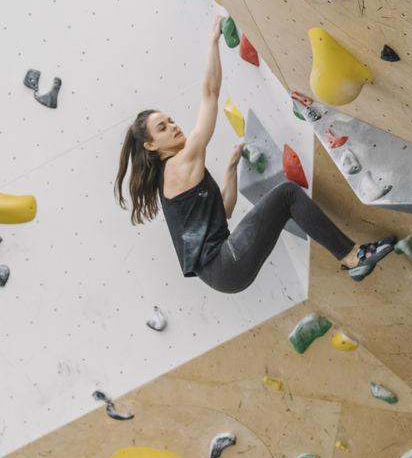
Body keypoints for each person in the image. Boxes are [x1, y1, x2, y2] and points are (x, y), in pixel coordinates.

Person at [114, 17, 394, 293]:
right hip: (225, 264)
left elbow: (225, 211)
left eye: (171, 120)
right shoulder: (178, 164)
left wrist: (231, 169)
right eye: (163, 128)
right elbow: (210, 93)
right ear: (151, 146)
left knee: (285, 202)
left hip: (224, 273)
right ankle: (351, 257)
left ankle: (351, 255)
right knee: (287, 194)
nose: (174, 127)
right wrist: (213, 41)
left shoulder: (177, 176)